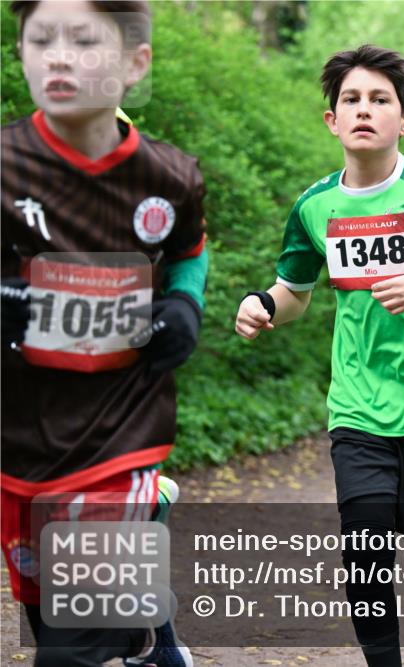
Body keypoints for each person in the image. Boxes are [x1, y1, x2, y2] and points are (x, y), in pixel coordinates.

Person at [233, 44, 404, 667]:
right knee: (363, 545)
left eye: (379, 100)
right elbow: (295, 292)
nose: (364, 110)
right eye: (350, 100)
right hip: (358, 402)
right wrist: (264, 305)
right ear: (330, 119)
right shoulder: (314, 206)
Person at [1, 2, 207, 665]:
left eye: (84, 40)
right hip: (18, 441)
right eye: (41, 40)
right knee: (46, 613)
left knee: (68, 651)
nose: (58, 55)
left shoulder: (169, 176)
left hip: (119, 431)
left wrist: (184, 302)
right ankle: (150, 624)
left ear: (134, 64)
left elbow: (189, 252)